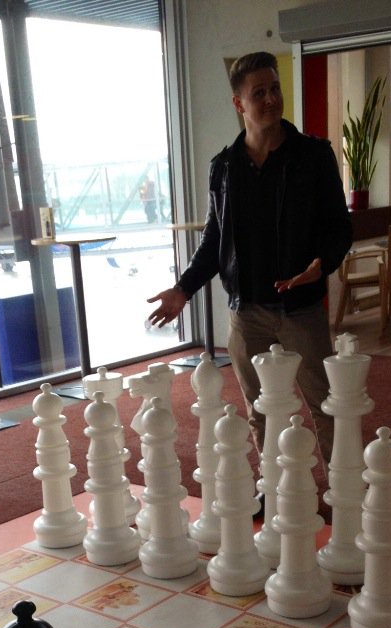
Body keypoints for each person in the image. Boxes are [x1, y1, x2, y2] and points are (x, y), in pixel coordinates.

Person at [146, 50, 352, 471]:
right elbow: (214, 242)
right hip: (247, 313)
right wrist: (183, 289)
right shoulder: (223, 168)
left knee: (325, 404)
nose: (271, 99)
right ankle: (273, 490)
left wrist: (322, 263)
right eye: (259, 92)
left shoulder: (314, 156)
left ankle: (343, 489)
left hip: (301, 309)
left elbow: (340, 228)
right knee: (260, 409)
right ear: (239, 103)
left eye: (275, 89)